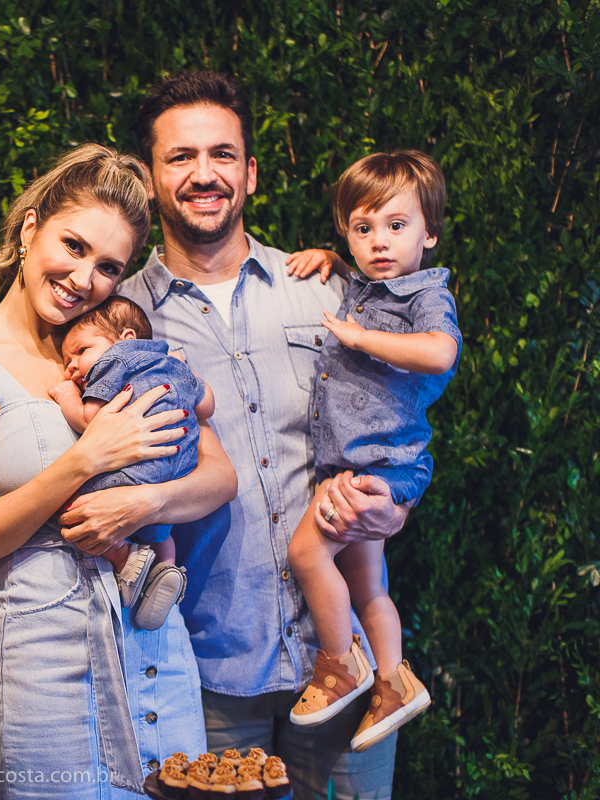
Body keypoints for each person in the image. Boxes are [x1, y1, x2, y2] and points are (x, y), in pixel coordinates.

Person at [119, 70, 412, 799]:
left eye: (221, 154)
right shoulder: (122, 321)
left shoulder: (327, 289)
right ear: (152, 179)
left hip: (341, 657)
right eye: (179, 157)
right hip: (206, 671)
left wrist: (394, 504)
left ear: (249, 171)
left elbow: (392, 418)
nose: (202, 174)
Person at [0, 144, 238, 799]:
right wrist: (85, 460)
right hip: (41, 660)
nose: (84, 276)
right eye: (73, 245)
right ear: (31, 228)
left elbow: (219, 477)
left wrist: (143, 506)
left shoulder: (123, 350)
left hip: (154, 647)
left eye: (108, 266)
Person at [286, 151, 459, 751]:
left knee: (307, 553)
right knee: (368, 584)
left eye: (396, 225)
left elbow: (440, 353)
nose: (379, 241)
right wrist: (330, 260)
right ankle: (393, 679)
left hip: (377, 464)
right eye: (363, 229)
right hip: (360, 463)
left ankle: (340, 663)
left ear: (429, 232)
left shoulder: (423, 296)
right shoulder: (365, 282)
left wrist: (363, 338)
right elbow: (355, 268)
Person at [48, 296, 215, 630]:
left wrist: (67, 394)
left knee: (70, 508)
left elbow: (92, 419)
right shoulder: (173, 363)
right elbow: (207, 404)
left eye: (81, 351)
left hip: (137, 468)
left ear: (126, 339)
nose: (72, 366)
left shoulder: (116, 360)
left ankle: (124, 558)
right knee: (161, 528)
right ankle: (165, 568)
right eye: (67, 360)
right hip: (180, 466)